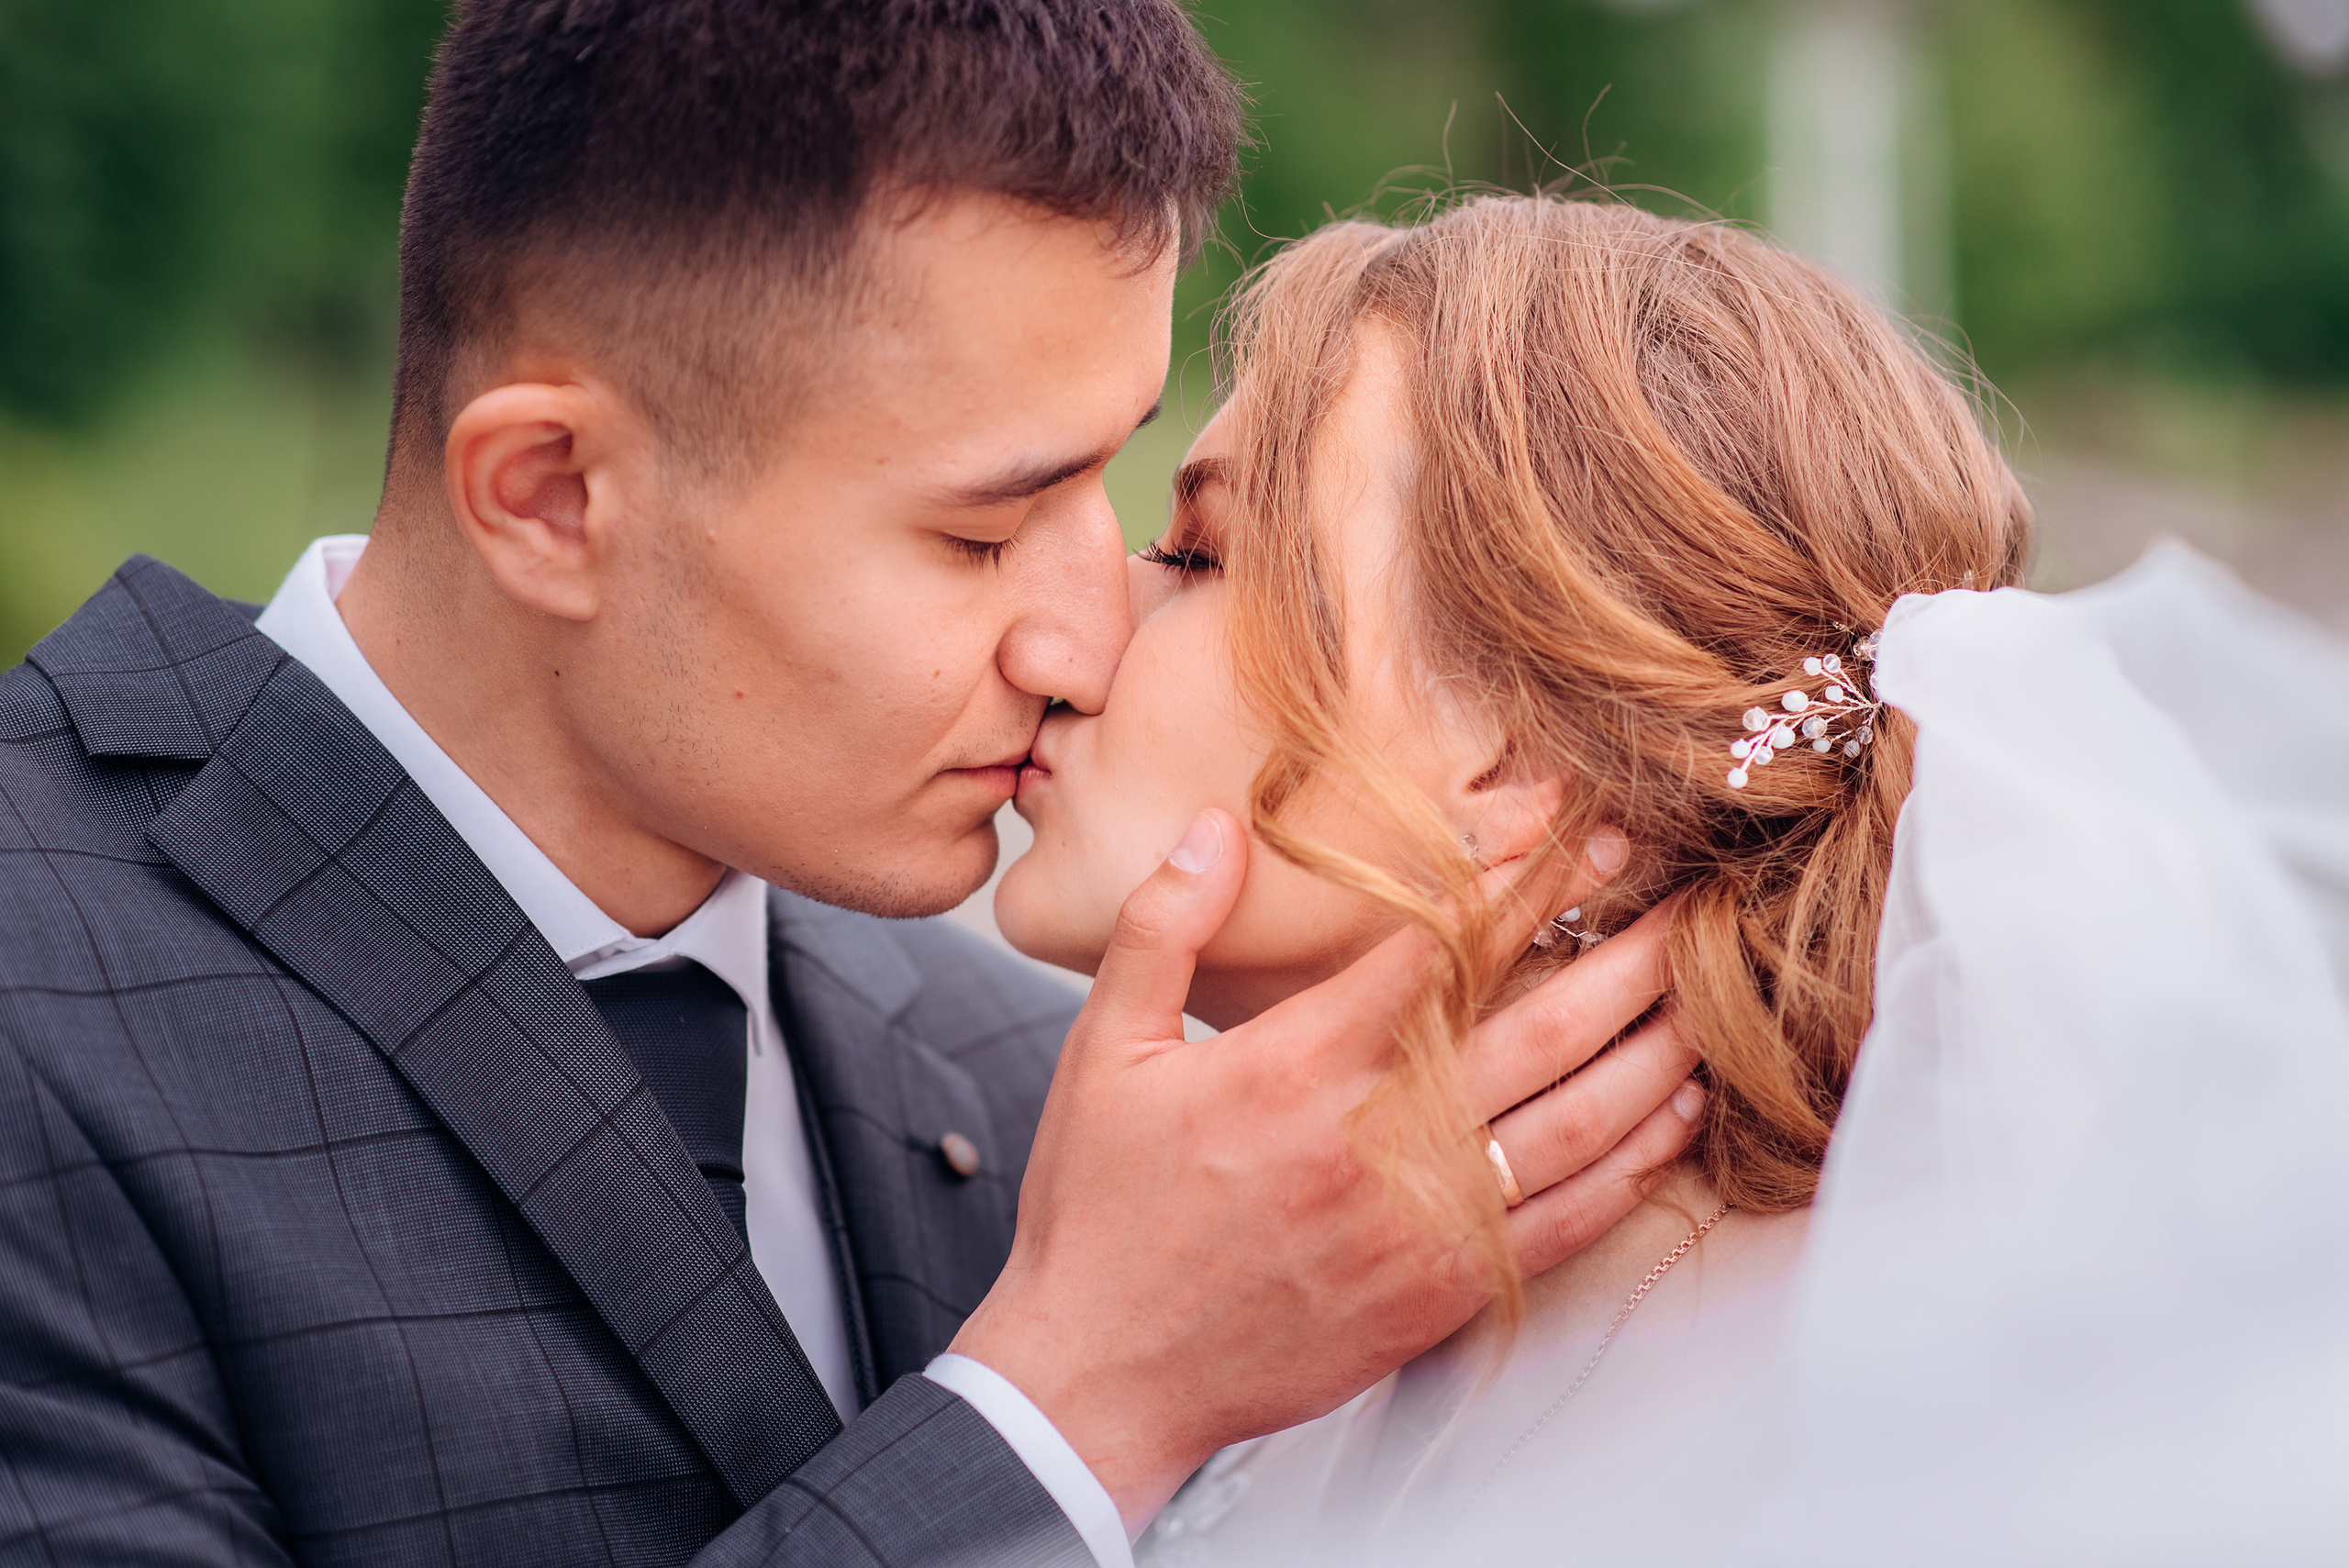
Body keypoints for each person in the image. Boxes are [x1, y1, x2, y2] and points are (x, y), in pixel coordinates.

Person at [0, 9, 1705, 1568]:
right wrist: (1071, 1408)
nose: (1087, 630)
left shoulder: (1035, 1067)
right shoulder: (37, 1004)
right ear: (550, 496)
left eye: (1122, 488)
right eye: (977, 533)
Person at [996, 193, 2349, 1562]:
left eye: (1200, 556)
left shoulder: (1846, 1444)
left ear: (1518, 763)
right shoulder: (1278, 1308)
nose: (1083, 620)